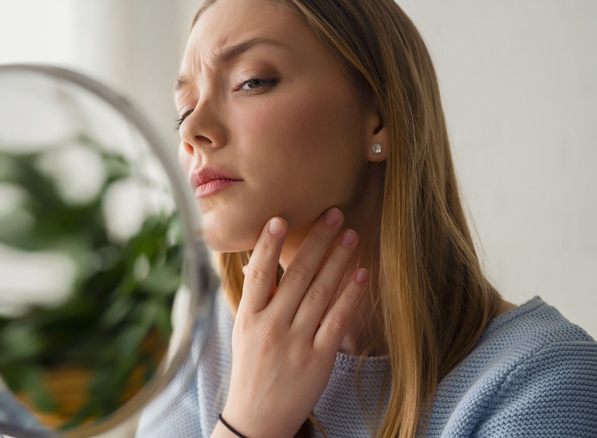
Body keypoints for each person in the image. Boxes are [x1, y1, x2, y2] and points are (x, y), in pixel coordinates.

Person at [136, 0, 597, 436]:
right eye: (184, 111)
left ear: (378, 118)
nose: (193, 131)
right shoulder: (203, 348)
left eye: (251, 81)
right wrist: (248, 424)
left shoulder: (545, 381)